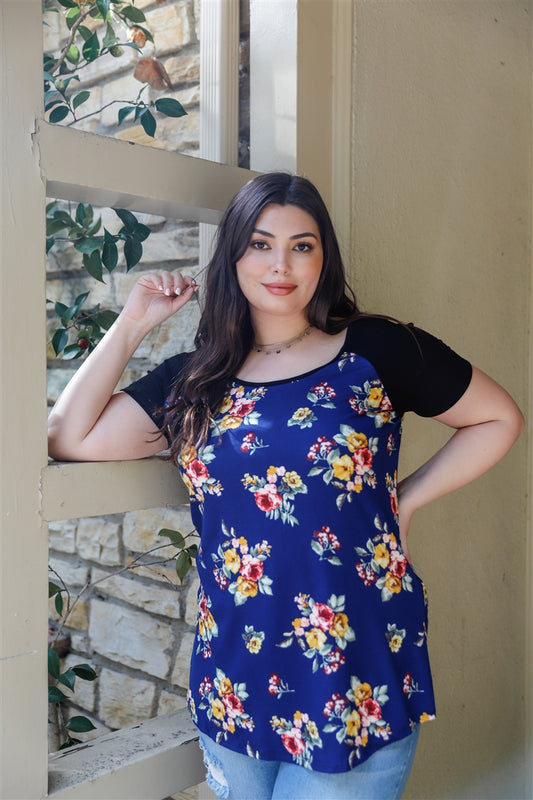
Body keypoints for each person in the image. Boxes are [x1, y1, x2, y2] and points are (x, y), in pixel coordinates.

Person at [48, 172, 523, 800]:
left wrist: (406, 499)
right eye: (260, 244)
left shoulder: (375, 351)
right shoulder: (194, 381)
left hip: (353, 672)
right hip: (235, 674)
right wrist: (135, 321)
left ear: (323, 259)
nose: (281, 264)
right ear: (233, 257)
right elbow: (68, 435)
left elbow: (498, 419)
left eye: (302, 245)